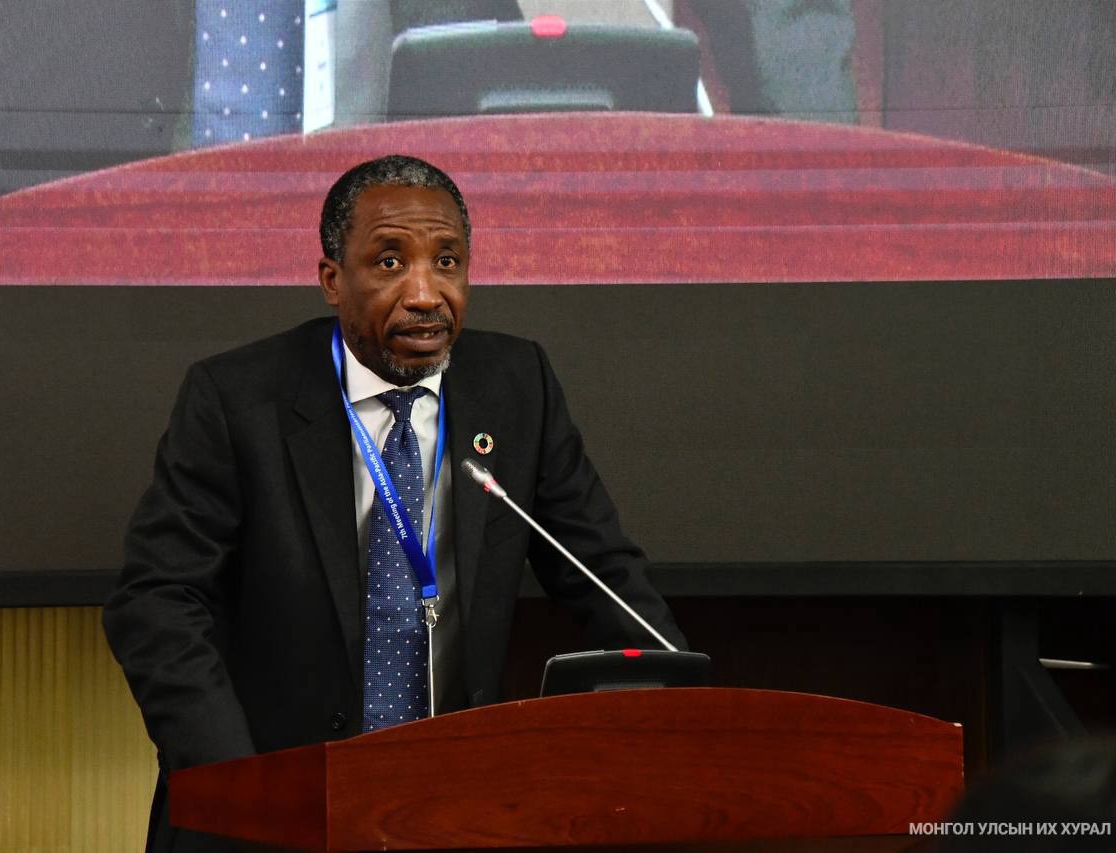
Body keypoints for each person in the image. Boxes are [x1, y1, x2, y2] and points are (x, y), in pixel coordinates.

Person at [104, 154, 685, 852]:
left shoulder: (516, 385)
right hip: (275, 807)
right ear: (332, 279)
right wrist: (240, 783)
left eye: (447, 262)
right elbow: (158, 600)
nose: (425, 293)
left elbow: (600, 571)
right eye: (389, 263)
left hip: (452, 809)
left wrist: (686, 710)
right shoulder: (236, 399)